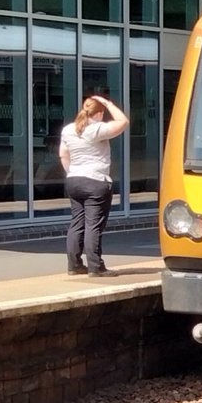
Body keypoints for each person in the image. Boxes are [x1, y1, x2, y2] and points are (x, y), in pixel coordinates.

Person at [58, 95, 129, 276]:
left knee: (77, 223)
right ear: (98, 113)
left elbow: (63, 154)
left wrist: (71, 172)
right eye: (102, 113)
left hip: (74, 180)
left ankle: (74, 265)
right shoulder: (96, 129)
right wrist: (108, 103)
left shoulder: (68, 130)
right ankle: (96, 267)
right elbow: (123, 122)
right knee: (93, 225)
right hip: (96, 181)